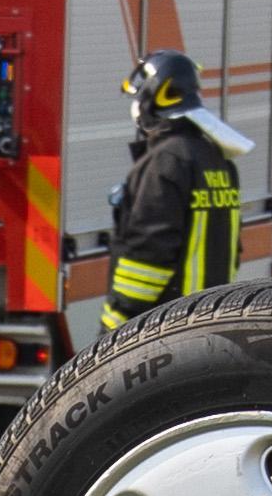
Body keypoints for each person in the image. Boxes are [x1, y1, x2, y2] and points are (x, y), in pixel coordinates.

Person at [101, 46, 242, 331]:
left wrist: (114, 325)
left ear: (153, 96)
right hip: (209, 322)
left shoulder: (166, 162)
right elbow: (232, 250)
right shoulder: (217, 160)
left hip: (165, 327)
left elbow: (148, 256)